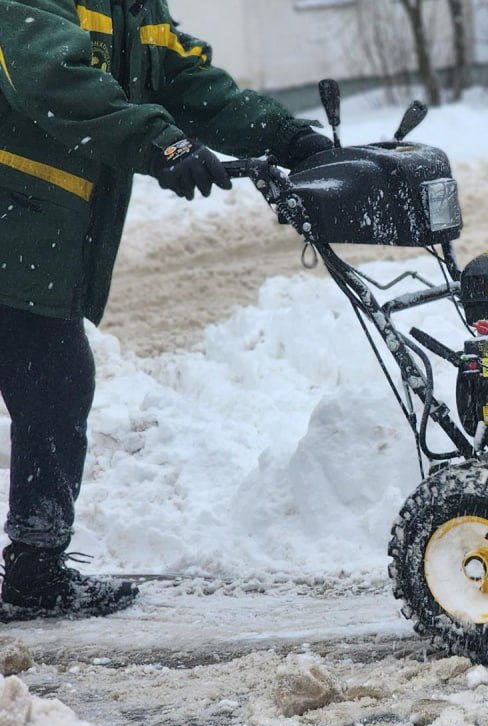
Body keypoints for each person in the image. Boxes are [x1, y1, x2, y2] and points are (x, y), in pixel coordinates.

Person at [0, 0, 333, 619]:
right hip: (14, 225)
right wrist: (161, 145)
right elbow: (49, 77)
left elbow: (188, 83)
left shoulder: (133, 7)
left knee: (55, 386)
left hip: (30, 238)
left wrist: (291, 139)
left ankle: (35, 571)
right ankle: (35, 570)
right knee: (54, 383)